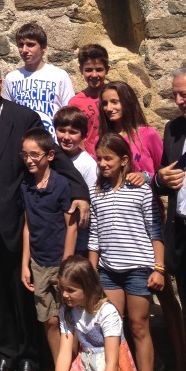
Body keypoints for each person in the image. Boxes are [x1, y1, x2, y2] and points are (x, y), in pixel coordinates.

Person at [0, 59, 90, 371]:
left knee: (22, 286)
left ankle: (30, 353)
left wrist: (79, 193)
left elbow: (52, 155)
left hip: (16, 213)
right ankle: (5, 351)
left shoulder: (22, 117)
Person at [89, 133, 164, 371]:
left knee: (139, 327)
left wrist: (159, 269)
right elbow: (94, 236)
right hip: (109, 271)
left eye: (108, 159)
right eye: (99, 159)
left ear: (123, 160)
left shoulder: (140, 190)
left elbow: (155, 231)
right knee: (112, 328)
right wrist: (93, 271)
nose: (102, 164)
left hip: (138, 270)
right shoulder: (95, 192)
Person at [20, 128, 77, 362]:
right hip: (39, 264)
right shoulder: (26, 185)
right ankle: (59, 364)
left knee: (69, 319)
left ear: (50, 156)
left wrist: (67, 264)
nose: (29, 160)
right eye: (24, 155)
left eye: (34, 154)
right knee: (49, 320)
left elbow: (71, 227)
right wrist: (25, 264)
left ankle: (76, 365)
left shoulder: (61, 185)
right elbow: (28, 227)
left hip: (61, 263)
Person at [56, 255, 136, 371]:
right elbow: (64, 353)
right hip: (86, 362)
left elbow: (112, 363)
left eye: (70, 290)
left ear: (87, 287)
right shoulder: (67, 310)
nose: (64, 294)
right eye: (62, 288)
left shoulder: (107, 312)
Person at [153, 67, 186, 316]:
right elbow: (162, 180)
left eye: (184, 95)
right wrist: (159, 178)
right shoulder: (172, 130)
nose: (178, 102)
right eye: (175, 95)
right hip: (181, 233)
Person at [3, 22, 74, 137]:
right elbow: (8, 115)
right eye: (20, 45)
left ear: (44, 47)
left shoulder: (59, 76)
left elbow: (69, 114)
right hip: (23, 143)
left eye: (30, 45)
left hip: (51, 142)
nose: (24, 50)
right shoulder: (11, 78)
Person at [99, 81, 163, 185]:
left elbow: (162, 174)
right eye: (105, 103)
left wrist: (145, 177)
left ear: (127, 102)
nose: (109, 108)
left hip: (145, 199)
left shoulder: (148, 134)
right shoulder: (102, 140)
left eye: (115, 102)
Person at [54, 107, 97, 255]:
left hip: (80, 242)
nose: (66, 137)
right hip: (55, 239)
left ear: (83, 135)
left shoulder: (87, 164)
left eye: (73, 132)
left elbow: (94, 204)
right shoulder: (51, 159)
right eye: (62, 130)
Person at [68, 44, 110, 157]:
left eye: (99, 70)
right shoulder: (75, 102)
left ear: (107, 70)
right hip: (89, 158)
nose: (94, 74)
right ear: (81, 70)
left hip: (113, 157)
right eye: (89, 70)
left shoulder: (114, 96)